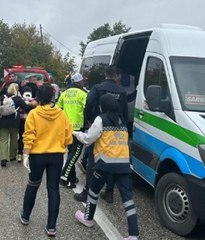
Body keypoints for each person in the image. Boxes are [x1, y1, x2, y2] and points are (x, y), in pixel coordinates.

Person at [73, 94, 139, 240]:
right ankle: (133, 235)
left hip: (104, 165)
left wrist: (75, 133)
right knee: (128, 200)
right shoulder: (121, 120)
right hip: (123, 165)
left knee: (93, 193)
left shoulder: (100, 119)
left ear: (102, 106)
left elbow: (89, 139)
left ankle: (88, 219)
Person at [19, 84, 73, 237]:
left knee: (33, 185)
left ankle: (25, 216)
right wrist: (64, 145)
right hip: (56, 156)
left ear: (38, 96)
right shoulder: (61, 114)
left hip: (38, 155)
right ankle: (51, 226)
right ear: (53, 96)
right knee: (53, 189)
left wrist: (26, 154)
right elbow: (68, 134)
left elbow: (29, 135)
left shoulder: (34, 114)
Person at [74, 65, 128, 203]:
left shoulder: (98, 88)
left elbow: (89, 103)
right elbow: (126, 113)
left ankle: (87, 192)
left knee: (93, 160)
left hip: (98, 126)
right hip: (117, 129)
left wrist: (88, 120)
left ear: (105, 74)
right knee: (113, 159)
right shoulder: (122, 91)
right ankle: (109, 192)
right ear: (116, 76)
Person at [56, 73, 87, 188]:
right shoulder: (83, 94)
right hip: (78, 129)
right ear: (79, 82)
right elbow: (87, 109)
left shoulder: (64, 94)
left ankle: (72, 178)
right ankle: (64, 176)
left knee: (70, 152)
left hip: (65, 128)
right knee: (75, 154)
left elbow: (58, 109)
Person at [0, 82, 34, 167]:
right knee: (14, 139)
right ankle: (12, 156)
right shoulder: (18, 99)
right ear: (17, 90)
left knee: (3, 140)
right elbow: (27, 107)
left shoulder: (2, 97)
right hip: (14, 122)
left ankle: (3, 158)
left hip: (3, 122)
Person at [17, 85, 38, 162]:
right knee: (31, 137)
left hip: (21, 121)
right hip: (31, 123)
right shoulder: (34, 101)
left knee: (21, 137)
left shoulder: (20, 100)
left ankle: (19, 154)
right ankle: (30, 154)